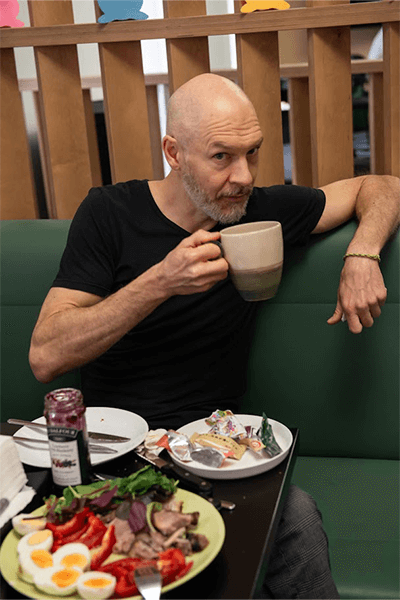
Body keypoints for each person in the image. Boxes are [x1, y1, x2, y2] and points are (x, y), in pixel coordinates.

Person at [29, 74, 399, 599]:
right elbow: (45, 354)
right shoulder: (110, 213)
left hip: (220, 455)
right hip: (117, 456)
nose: (243, 175)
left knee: (296, 518)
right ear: (174, 153)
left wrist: (362, 254)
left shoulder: (260, 212)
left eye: (253, 153)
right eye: (221, 156)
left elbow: (380, 186)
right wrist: (159, 281)